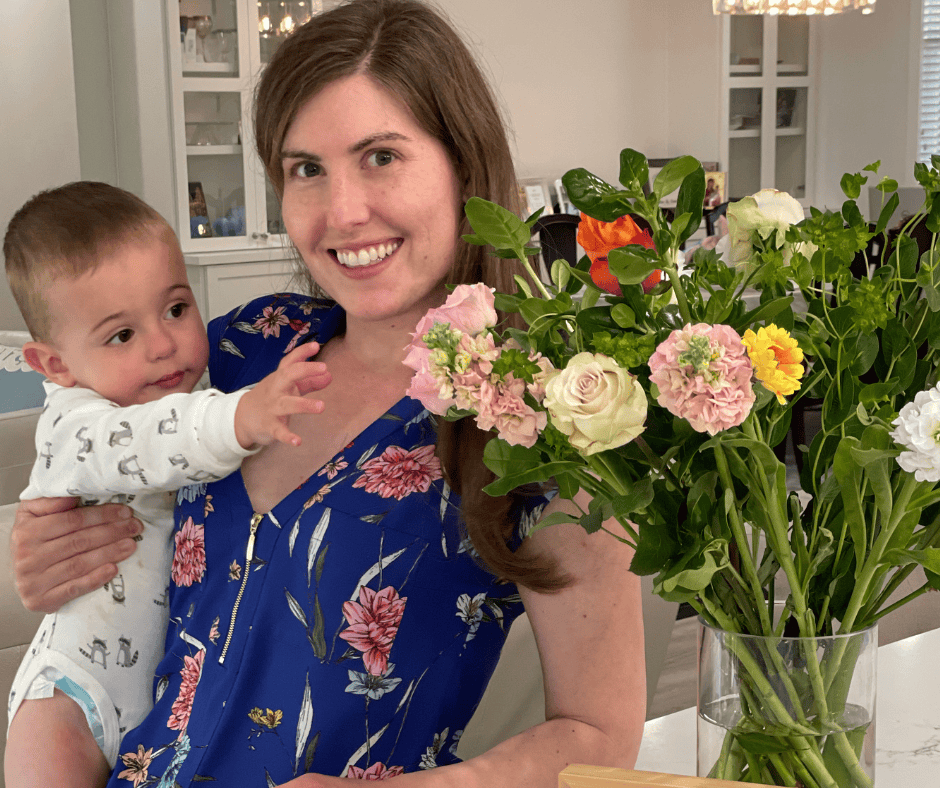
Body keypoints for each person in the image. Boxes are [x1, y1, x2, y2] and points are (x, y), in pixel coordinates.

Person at [7, 2, 646, 785]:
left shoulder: (542, 418)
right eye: (306, 168)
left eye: (380, 156)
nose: (342, 212)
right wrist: (50, 545)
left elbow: (601, 731)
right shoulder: (241, 346)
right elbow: (111, 476)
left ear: (463, 165)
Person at [3, 182, 330, 788]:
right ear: (56, 366)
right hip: (72, 693)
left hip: (160, 702)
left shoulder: (197, 388)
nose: (163, 344)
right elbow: (154, 441)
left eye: (176, 308)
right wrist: (246, 416)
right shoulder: (74, 425)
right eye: (121, 335)